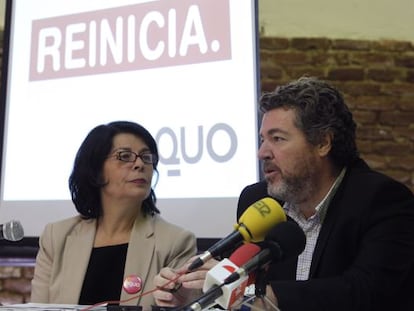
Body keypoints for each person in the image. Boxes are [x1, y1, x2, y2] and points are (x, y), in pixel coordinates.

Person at [237, 76, 414, 311]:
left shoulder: (382, 201)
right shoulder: (258, 202)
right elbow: (239, 278)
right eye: (262, 140)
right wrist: (200, 288)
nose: (262, 153)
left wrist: (271, 297)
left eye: (277, 139)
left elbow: (366, 290)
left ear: (322, 143)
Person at [30, 121, 197, 311]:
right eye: (125, 156)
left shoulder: (175, 242)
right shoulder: (57, 236)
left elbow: (185, 304)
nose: (140, 164)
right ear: (96, 171)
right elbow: (38, 308)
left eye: (146, 157)